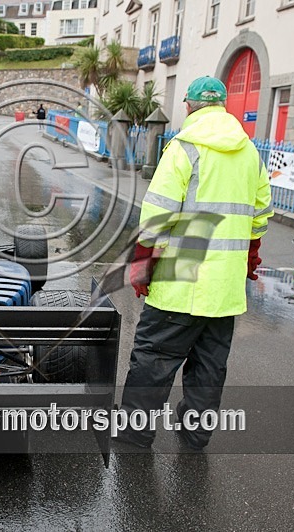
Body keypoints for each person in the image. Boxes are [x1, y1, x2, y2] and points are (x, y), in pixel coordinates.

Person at [113, 76, 273, 451]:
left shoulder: (184, 148)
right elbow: (261, 212)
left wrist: (142, 266)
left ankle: (135, 435)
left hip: (180, 286)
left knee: (153, 359)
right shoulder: (249, 153)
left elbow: (157, 216)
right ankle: (195, 436)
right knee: (208, 368)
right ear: (223, 106)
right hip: (224, 292)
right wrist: (248, 256)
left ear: (189, 106)